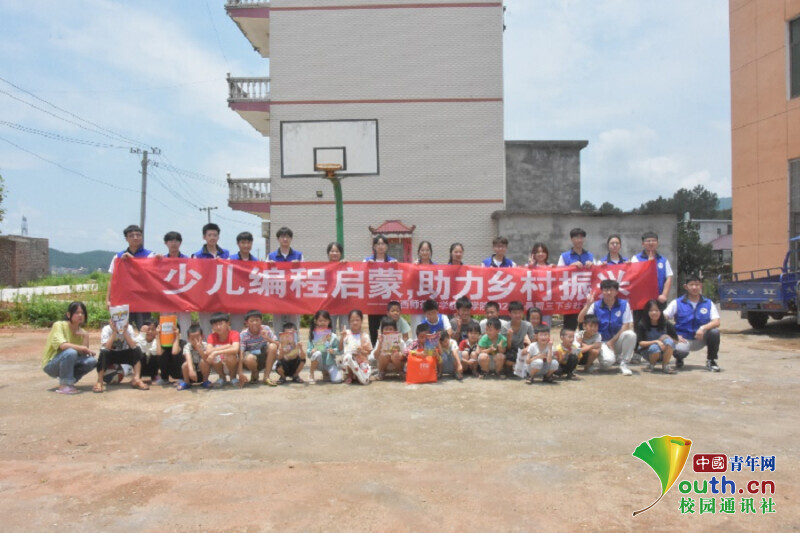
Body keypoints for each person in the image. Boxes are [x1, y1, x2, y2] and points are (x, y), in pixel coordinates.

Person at [577, 279, 637, 376]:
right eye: (606, 290)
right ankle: (613, 357)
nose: (608, 292)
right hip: (602, 342)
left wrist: (612, 341)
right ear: (602, 291)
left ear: (616, 292)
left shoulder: (624, 304)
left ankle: (624, 363)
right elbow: (580, 320)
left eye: (611, 290)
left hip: (617, 339)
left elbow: (626, 325)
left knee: (631, 334)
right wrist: (587, 305)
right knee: (607, 363)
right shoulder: (596, 305)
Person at [663, 274, 721, 372]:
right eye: (691, 285)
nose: (694, 287)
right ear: (686, 287)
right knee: (679, 351)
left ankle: (711, 361)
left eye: (697, 285)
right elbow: (663, 318)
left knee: (714, 332)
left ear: (701, 286)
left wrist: (703, 328)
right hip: (683, 340)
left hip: (701, 338)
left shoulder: (708, 303)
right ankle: (679, 359)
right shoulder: (677, 302)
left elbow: (716, 321)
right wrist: (673, 335)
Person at [42, 301, 97, 394]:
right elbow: (63, 346)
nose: (80, 315)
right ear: (68, 314)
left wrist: (86, 336)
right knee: (71, 352)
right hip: (51, 364)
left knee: (91, 361)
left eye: (82, 313)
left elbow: (83, 354)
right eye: (76, 312)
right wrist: (81, 348)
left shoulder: (82, 332)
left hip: (68, 363)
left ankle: (69, 380)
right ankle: (64, 385)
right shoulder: (59, 325)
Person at [107, 224, 154, 330]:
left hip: (142, 299)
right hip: (122, 299)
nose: (135, 238)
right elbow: (112, 280)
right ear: (126, 239)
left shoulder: (150, 255)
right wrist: (108, 300)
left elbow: (149, 275)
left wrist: (132, 260)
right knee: (120, 329)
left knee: (144, 329)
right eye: (131, 235)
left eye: (138, 235)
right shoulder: (118, 257)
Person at [95, 313, 149, 392]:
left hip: (124, 354)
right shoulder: (106, 329)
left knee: (137, 350)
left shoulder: (129, 328)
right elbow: (107, 347)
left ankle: (136, 379)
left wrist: (124, 331)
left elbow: (132, 345)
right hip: (111, 354)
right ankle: (99, 381)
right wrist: (114, 331)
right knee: (103, 352)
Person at [192, 223, 230, 334]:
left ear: (218, 237)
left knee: (222, 323)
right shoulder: (197, 255)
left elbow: (230, 270)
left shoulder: (225, 253)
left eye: (215, 235)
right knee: (205, 325)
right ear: (204, 237)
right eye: (209, 235)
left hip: (221, 294)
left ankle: (223, 343)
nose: (212, 237)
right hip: (205, 294)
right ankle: (206, 343)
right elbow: (195, 273)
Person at [267, 227, 303, 335]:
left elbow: (305, 273)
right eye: (282, 237)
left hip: (293, 293)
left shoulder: (298, 255)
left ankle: (295, 343)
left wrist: (299, 266)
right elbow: (264, 274)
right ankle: (279, 343)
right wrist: (268, 266)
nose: (285, 239)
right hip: (277, 293)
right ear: (278, 239)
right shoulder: (271, 256)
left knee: (294, 321)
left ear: (291, 239)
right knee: (278, 322)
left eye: (287, 237)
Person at [154, 231, 191, 334]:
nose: (174, 243)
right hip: (167, 298)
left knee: (185, 325)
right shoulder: (161, 260)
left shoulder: (188, 260)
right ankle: (167, 344)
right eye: (171, 241)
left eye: (176, 241)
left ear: (180, 243)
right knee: (166, 326)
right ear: (166, 243)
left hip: (183, 297)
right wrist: (156, 261)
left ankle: (185, 343)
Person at [558, 228, 594, 330]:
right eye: (577, 237)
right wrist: (570, 266)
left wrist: (593, 265)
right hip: (571, 296)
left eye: (581, 237)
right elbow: (558, 274)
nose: (579, 240)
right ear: (571, 239)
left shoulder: (590, 255)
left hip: (585, 296)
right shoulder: (564, 256)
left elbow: (596, 274)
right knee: (569, 327)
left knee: (586, 327)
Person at [364, 234, 397, 344]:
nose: (380, 246)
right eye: (378, 244)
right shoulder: (367, 261)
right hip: (372, 301)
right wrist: (366, 266)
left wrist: (396, 266)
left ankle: (389, 349)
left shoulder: (393, 261)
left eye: (383, 244)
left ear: (387, 246)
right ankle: (375, 350)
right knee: (373, 328)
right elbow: (361, 275)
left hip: (387, 301)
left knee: (388, 327)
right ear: (374, 246)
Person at [631, 231, 673, 305]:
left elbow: (668, 278)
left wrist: (664, 295)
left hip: (659, 298)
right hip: (642, 298)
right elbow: (635, 277)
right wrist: (649, 264)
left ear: (657, 243)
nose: (651, 243)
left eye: (653, 241)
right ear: (643, 244)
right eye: (648, 241)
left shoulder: (663, 260)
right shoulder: (636, 259)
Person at [203, 312, 244, 387]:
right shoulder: (211, 336)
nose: (218, 327)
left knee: (230, 355)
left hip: (232, 362)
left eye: (221, 324)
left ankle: (233, 377)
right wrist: (227, 346)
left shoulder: (234, 334)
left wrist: (215, 352)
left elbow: (235, 349)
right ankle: (222, 377)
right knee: (210, 357)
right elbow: (208, 351)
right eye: (215, 325)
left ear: (228, 324)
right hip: (219, 363)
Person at [636, 299, 677, 374]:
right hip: (649, 352)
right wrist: (656, 341)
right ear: (647, 312)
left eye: (657, 310)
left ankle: (665, 365)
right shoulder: (642, 324)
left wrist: (667, 336)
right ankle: (651, 365)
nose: (654, 313)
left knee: (669, 341)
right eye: (651, 310)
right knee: (654, 347)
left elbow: (676, 341)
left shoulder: (666, 324)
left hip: (664, 352)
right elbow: (641, 343)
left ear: (661, 311)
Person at [239, 309, 279, 386]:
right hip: (250, 360)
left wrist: (267, 338)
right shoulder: (243, 334)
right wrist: (240, 373)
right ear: (247, 323)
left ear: (261, 321)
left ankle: (266, 376)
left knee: (273, 346)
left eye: (257, 320)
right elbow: (241, 353)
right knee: (249, 358)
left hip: (263, 357)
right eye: (251, 321)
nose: (255, 323)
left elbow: (278, 344)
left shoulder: (266, 329)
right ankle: (255, 373)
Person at [230, 231, 258, 331]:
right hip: (236, 300)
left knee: (253, 329)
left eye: (248, 242)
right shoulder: (230, 260)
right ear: (238, 244)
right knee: (236, 329)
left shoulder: (256, 261)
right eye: (243, 242)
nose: (246, 245)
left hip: (251, 299)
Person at [307, 310, 341, 384]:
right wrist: (311, 351)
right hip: (318, 363)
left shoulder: (333, 336)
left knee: (337, 380)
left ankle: (326, 373)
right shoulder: (313, 335)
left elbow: (340, 351)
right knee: (317, 353)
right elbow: (308, 352)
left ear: (329, 321)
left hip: (329, 363)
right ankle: (311, 374)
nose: (323, 323)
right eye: (320, 321)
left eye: (325, 320)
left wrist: (334, 351)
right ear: (316, 321)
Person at [340, 309, 373, 385]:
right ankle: (350, 375)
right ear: (349, 321)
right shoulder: (346, 333)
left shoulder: (365, 336)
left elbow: (368, 352)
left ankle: (357, 375)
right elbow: (340, 348)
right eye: (352, 320)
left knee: (365, 382)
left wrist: (361, 350)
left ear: (361, 321)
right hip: (349, 361)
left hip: (361, 363)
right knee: (348, 357)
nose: (355, 322)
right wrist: (342, 338)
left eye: (357, 320)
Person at [505, 300, 534, 376]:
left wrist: (527, 347)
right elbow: (507, 348)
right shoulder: (505, 326)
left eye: (520, 312)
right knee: (507, 359)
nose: (518, 315)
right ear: (509, 314)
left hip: (524, 351)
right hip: (511, 351)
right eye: (515, 313)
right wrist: (509, 338)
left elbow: (533, 343)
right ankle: (513, 368)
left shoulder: (528, 325)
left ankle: (519, 367)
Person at [374, 316, 407, 381]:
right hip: (384, 366)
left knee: (396, 354)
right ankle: (382, 373)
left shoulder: (400, 340)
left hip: (397, 366)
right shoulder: (380, 340)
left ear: (395, 330)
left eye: (390, 329)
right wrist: (380, 344)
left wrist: (399, 354)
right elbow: (375, 356)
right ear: (382, 330)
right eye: (386, 329)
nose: (388, 331)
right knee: (384, 354)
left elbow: (405, 355)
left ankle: (401, 372)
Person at [176, 324, 207, 390]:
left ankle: (205, 381)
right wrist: (191, 370)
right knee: (185, 364)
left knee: (204, 362)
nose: (195, 341)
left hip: (202, 373)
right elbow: (188, 358)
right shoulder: (187, 346)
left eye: (197, 338)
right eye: (192, 339)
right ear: (188, 339)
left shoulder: (205, 345)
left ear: (202, 336)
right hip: (191, 374)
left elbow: (205, 358)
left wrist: (199, 349)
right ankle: (187, 382)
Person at [326, 241, 349, 331]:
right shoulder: (324, 268)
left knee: (345, 329)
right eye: (332, 251)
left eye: (337, 251)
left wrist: (347, 265)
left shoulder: (346, 265)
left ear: (341, 253)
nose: (334, 253)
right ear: (328, 253)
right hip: (329, 303)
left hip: (344, 302)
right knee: (330, 329)